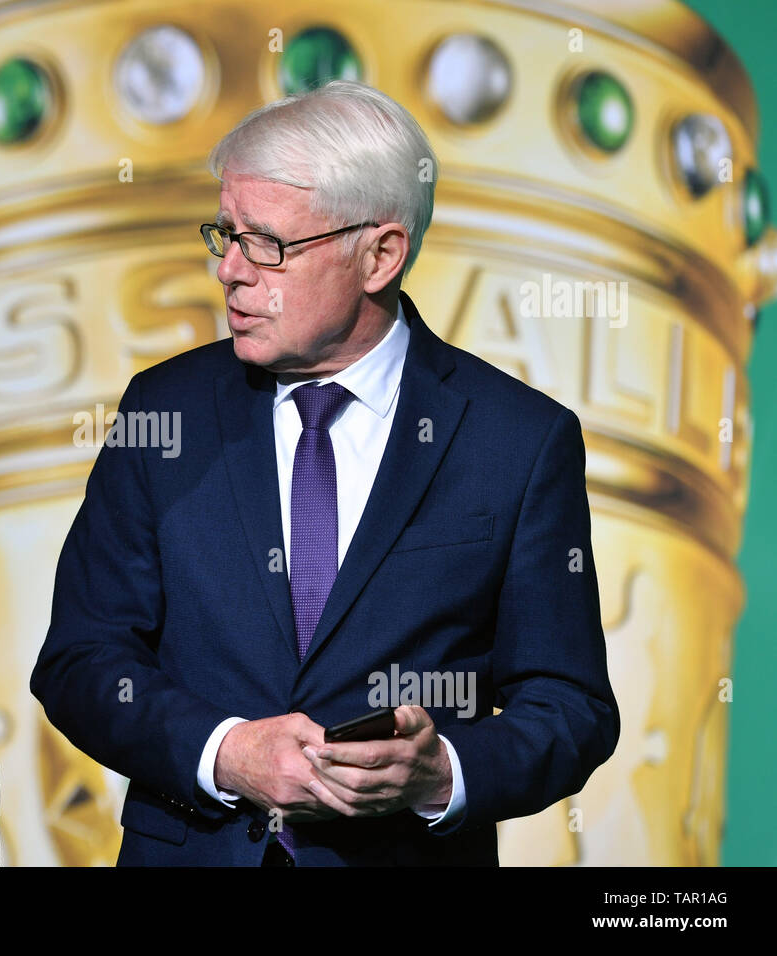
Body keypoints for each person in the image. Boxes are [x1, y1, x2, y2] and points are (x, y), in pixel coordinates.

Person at [31, 80, 619, 866]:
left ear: (380, 254)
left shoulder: (518, 438)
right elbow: (81, 661)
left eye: (267, 244)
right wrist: (226, 752)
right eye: (225, 235)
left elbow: (570, 705)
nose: (231, 272)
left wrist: (442, 773)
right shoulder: (163, 410)